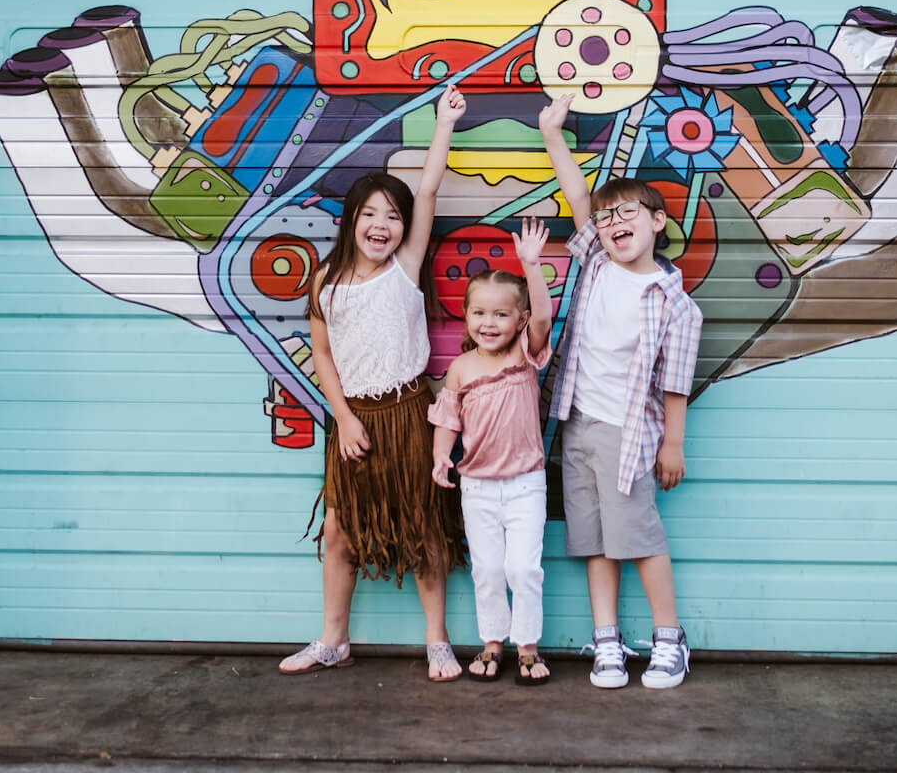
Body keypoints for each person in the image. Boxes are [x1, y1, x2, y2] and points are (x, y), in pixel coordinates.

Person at [278, 86, 470, 682]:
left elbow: (431, 188)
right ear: (352, 221)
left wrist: (443, 124)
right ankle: (334, 640)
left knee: (423, 527)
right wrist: (344, 417)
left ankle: (437, 642)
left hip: (410, 415)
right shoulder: (325, 283)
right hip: (354, 420)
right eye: (371, 214)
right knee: (338, 530)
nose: (382, 225)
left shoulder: (406, 267)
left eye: (393, 215)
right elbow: (324, 355)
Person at [536, 91, 704, 689]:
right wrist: (554, 134)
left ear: (658, 221)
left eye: (627, 213)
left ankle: (669, 638)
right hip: (578, 423)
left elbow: (676, 384)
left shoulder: (675, 306)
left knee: (638, 538)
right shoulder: (598, 266)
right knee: (593, 541)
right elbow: (580, 197)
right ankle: (607, 642)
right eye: (605, 222)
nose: (612, 225)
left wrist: (673, 445)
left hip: (630, 434)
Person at [429, 217, 556, 686]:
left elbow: (543, 316)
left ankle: (528, 646)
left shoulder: (525, 354)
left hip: (525, 484)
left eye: (501, 314)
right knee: (486, 570)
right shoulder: (460, 368)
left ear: (518, 321)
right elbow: (447, 420)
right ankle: (492, 644)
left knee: (522, 568)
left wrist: (531, 264)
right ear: (466, 316)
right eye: (479, 313)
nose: (489, 323)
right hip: (477, 486)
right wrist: (442, 456)